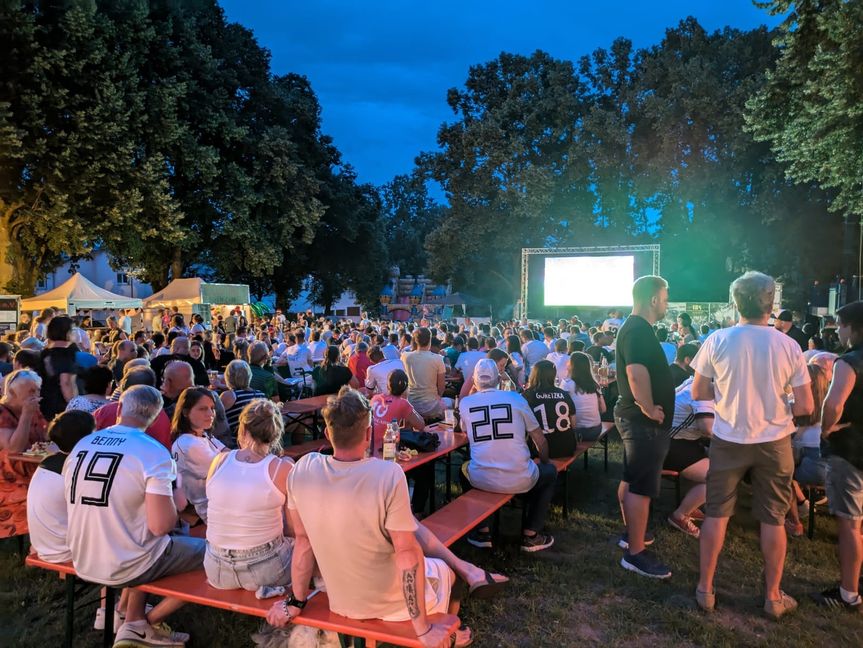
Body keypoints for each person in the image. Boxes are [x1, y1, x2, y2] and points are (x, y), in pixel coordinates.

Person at [266, 387, 507, 647]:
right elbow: (408, 556)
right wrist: (422, 629)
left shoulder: (303, 468)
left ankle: (462, 583)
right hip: (390, 604)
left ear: (327, 433)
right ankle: (446, 632)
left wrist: (296, 602)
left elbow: (303, 542)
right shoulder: (388, 474)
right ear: (368, 433)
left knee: (407, 527)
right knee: (448, 573)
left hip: (340, 597)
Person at [692, 271, 813, 618]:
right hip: (775, 442)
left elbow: (700, 391)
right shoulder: (788, 345)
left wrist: (731, 394)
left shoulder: (718, 339)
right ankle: (773, 598)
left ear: (735, 302)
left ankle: (705, 591)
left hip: (728, 438)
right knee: (773, 519)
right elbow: (805, 407)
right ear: (771, 303)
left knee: (716, 515)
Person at [459, 359, 556, 552]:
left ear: (475, 381)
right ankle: (531, 534)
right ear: (498, 379)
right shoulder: (516, 399)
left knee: (462, 471)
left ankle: (482, 531)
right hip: (520, 477)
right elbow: (540, 440)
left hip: (481, 478)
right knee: (550, 472)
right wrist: (543, 462)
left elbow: (464, 431)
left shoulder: (465, 403)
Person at [614, 275, 675, 579]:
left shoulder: (635, 327)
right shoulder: (638, 330)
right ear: (653, 299)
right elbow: (635, 373)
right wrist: (649, 408)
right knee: (641, 485)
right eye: (665, 298)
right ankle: (635, 553)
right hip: (642, 421)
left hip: (635, 418)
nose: (666, 304)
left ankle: (631, 535)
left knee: (631, 477)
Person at [817, 300, 863, 610]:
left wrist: (825, 429)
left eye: (840, 324)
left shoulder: (849, 362)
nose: (838, 331)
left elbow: (833, 405)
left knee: (850, 524)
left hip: (850, 450)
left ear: (854, 327)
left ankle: (849, 592)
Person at [27, 410, 95, 563]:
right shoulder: (76, 468)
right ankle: (109, 587)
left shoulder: (48, 462)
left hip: (43, 546)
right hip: (64, 552)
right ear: (86, 438)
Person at [0, 370, 49, 539]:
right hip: (8, 479)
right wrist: (27, 414)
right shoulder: (3, 413)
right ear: (12, 393)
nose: (36, 395)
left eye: (37, 390)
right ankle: (38, 545)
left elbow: (45, 438)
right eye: (31, 391)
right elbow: (14, 449)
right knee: (44, 496)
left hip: (34, 471)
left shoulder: (34, 410)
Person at [664, 377, 714, 539]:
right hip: (671, 446)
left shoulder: (695, 382)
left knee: (719, 465)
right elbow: (707, 428)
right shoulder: (704, 391)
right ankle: (680, 516)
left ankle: (691, 505)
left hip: (677, 441)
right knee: (720, 477)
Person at [785, 364, 829, 537]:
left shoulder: (796, 403)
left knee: (782, 475)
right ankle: (803, 503)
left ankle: (795, 522)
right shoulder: (833, 403)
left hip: (816, 469)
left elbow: (793, 443)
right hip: (837, 469)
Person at [94, 367, 173, 451]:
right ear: (152, 387)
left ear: (123, 387)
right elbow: (166, 448)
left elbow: (89, 436)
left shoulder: (105, 411)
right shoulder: (159, 415)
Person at [522, 360, 578, 458]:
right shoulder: (564, 394)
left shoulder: (528, 395)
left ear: (534, 375)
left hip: (539, 448)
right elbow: (573, 424)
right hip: (567, 446)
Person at [38, 315, 79, 419]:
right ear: (67, 332)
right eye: (73, 330)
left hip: (44, 404)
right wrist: (74, 407)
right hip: (60, 408)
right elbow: (66, 382)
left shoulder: (44, 353)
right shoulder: (64, 354)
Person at [402, 328, 446, 422]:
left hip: (411, 404)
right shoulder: (438, 359)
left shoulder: (405, 356)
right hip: (431, 406)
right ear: (430, 341)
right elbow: (441, 387)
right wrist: (438, 397)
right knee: (453, 403)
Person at [560, 351, 606, 443]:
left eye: (569, 361)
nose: (566, 363)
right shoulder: (594, 384)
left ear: (573, 365)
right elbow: (603, 409)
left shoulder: (567, 384)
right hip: (596, 429)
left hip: (577, 431)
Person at [220, 360, 266, 436]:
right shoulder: (261, 395)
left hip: (235, 443)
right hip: (256, 440)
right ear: (249, 375)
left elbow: (215, 420)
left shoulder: (229, 396)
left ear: (228, 377)